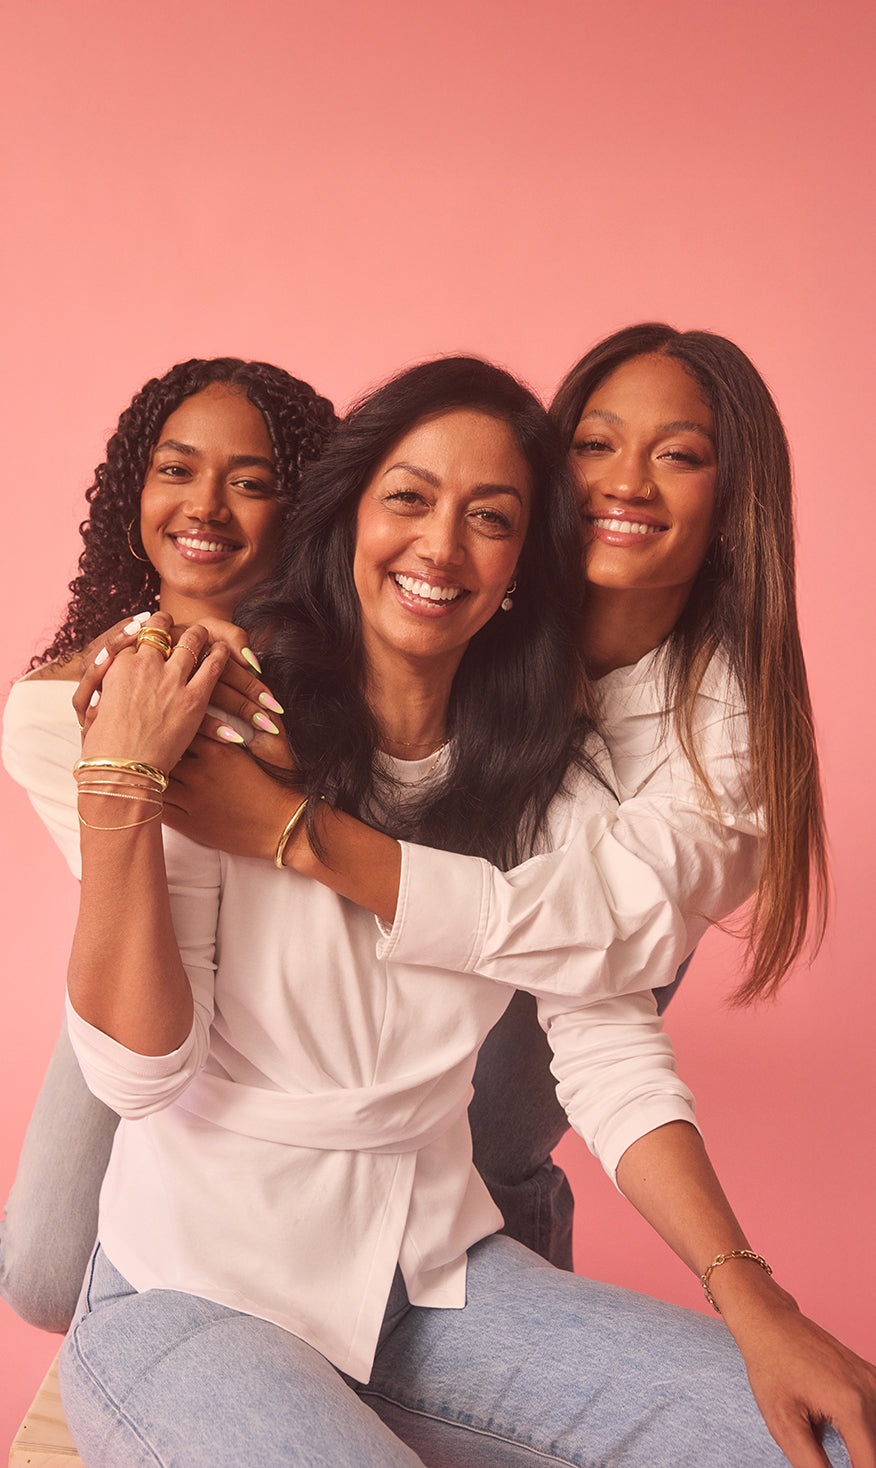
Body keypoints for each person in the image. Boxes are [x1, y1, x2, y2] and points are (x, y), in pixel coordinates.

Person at [59, 358, 871, 1467]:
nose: (440, 547)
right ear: (346, 519)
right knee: (34, 1250)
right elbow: (137, 1076)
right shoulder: (229, 708)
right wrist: (120, 790)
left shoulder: (554, 782)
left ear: (519, 577)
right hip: (189, 1299)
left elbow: (607, 1043)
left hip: (428, 1289)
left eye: (488, 519)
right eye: (408, 499)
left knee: (803, 1437)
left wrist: (756, 1300)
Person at [160, 323, 828, 1275]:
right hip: (226, 1043)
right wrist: (157, 679)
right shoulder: (457, 593)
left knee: (480, 1163)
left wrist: (294, 833)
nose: (625, 483)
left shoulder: (720, 737)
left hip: (575, 942)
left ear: (731, 506)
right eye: (595, 444)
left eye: (678, 457)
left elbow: (595, 964)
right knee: (54, 1251)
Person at [0, 355, 335, 1331]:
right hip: (152, 954)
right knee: (44, 1270)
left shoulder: (368, 670)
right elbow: (155, 912)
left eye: (252, 481)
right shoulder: (54, 710)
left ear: (304, 504)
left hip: (322, 969)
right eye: (177, 469)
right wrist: (132, 760)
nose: (206, 506)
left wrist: (290, 743)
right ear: (134, 492)